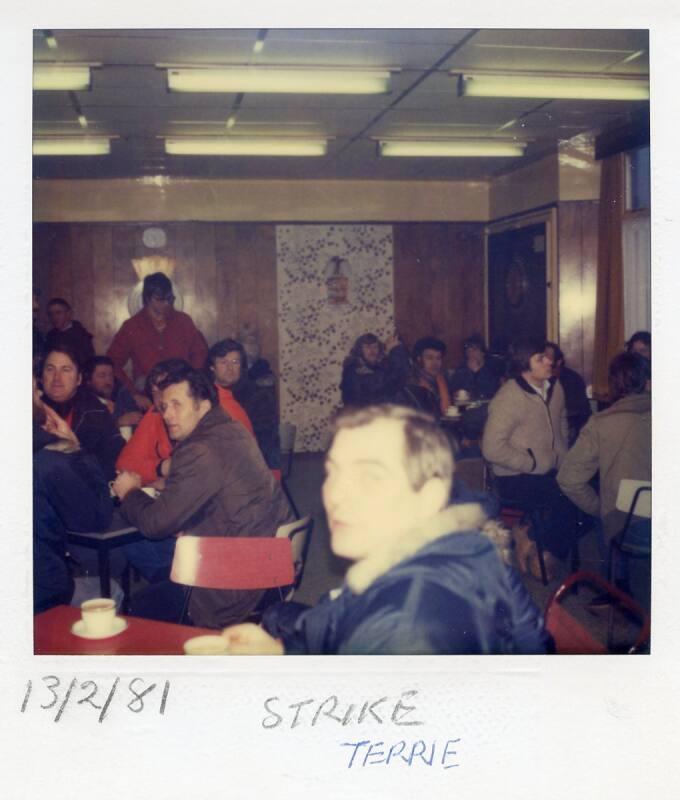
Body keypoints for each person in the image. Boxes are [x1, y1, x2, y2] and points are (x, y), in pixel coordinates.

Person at [221, 404, 550, 655]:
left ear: (429, 497)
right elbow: (538, 649)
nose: (336, 494)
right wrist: (279, 635)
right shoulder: (477, 549)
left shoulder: (398, 630)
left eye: (370, 477)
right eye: (334, 472)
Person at [112, 366, 293, 628]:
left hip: (235, 585)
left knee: (133, 608)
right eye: (163, 406)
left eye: (177, 404)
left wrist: (129, 492)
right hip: (269, 564)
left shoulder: (201, 447)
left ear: (203, 404)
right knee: (161, 558)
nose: (168, 415)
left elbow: (155, 524)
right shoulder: (230, 430)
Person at [481, 338, 577, 578]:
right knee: (565, 500)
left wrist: (563, 457)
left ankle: (534, 538)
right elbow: (491, 448)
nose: (549, 361)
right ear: (524, 366)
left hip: (552, 468)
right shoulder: (508, 398)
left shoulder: (556, 388)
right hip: (516, 476)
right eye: (540, 358)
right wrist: (532, 462)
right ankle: (541, 548)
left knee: (588, 496)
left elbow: (562, 422)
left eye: (547, 356)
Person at [557, 353, 651, 559]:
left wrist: (600, 508)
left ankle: (616, 583)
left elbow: (568, 480)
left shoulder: (600, 424)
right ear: (649, 383)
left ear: (613, 385)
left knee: (609, 517)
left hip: (629, 527)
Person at [33, 377, 112, 613]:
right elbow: (97, 518)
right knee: (112, 591)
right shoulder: (48, 461)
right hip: (43, 595)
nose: (39, 395)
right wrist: (74, 445)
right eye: (34, 390)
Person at [106, 272, 208, 408]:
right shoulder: (132, 326)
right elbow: (112, 363)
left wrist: (192, 383)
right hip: (148, 396)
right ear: (147, 298)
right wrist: (133, 394)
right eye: (160, 299)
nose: (166, 304)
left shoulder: (184, 321)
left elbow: (200, 354)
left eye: (170, 298)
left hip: (181, 393)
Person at [40, 346, 125, 481]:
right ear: (41, 377)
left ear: (79, 379)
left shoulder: (97, 413)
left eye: (65, 370)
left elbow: (114, 465)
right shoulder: (30, 408)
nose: (56, 377)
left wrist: (75, 450)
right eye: (50, 369)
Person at [207, 338, 279, 472]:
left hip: (249, 466)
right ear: (212, 367)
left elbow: (268, 443)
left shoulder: (258, 397)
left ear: (242, 366)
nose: (230, 368)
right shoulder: (204, 395)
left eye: (235, 362)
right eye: (223, 362)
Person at [115, 358, 189, 487]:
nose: (160, 399)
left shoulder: (204, 416)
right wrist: (161, 467)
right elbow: (124, 465)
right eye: (154, 392)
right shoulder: (155, 414)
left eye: (164, 389)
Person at [339, 332, 410, 408]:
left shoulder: (378, 366)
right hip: (362, 417)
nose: (372, 350)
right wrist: (395, 351)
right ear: (359, 350)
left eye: (375, 347)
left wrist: (396, 351)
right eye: (367, 347)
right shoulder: (353, 370)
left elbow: (400, 378)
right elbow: (382, 382)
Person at [544, 341, 591, 446]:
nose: (544, 360)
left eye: (548, 357)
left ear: (559, 361)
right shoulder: (539, 378)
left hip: (569, 434)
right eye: (542, 357)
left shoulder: (572, 380)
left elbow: (581, 413)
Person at [396, 337, 451, 418]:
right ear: (419, 359)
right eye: (430, 358)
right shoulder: (413, 383)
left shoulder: (441, 378)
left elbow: (449, 410)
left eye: (438, 358)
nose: (435, 363)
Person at [84, 355, 143, 428]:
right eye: (102, 376)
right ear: (88, 380)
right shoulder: (84, 404)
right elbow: (91, 433)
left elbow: (137, 416)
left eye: (111, 375)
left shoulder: (120, 392)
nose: (108, 380)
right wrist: (118, 422)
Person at [45, 297, 95, 369]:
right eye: (51, 314)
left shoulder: (81, 335)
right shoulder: (50, 336)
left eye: (58, 313)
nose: (54, 317)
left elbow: (87, 362)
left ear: (69, 314)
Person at [449, 334, 501, 401]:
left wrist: (477, 372)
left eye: (474, 350)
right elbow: (453, 390)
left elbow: (492, 391)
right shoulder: (461, 370)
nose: (471, 354)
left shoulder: (492, 369)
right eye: (468, 351)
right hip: (466, 407)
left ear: (483, 353)